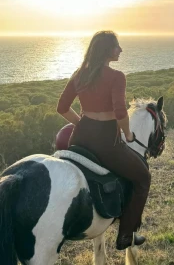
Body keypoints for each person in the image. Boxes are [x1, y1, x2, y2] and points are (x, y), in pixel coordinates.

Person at [56, 30, 150, 249]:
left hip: (79, 137)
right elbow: (120, 112)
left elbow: (61, 108)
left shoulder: (79, 73)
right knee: (143, 178)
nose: (120, 50)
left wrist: (80, 122)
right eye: (117, 46)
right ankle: (126, 235)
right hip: (106, 141)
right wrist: (127, 134)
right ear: (107, 50)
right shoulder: (117, 77)